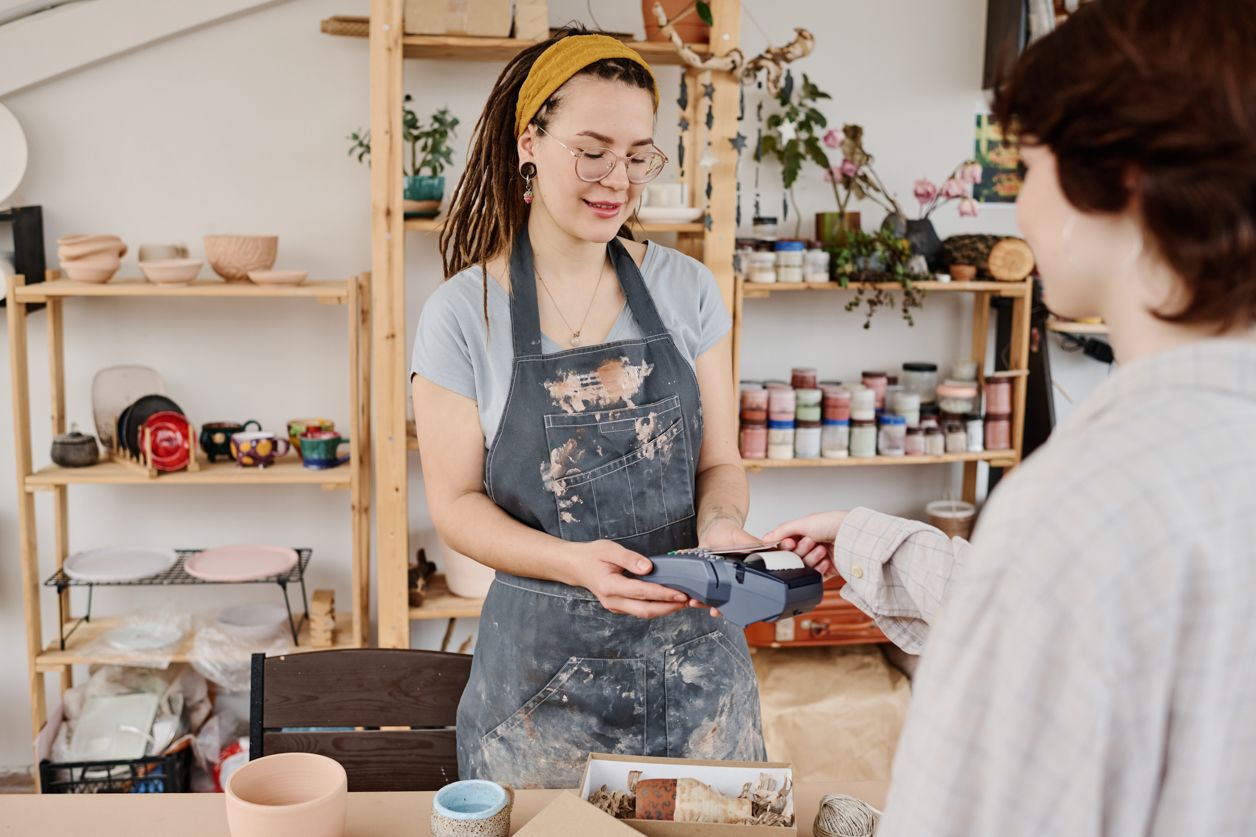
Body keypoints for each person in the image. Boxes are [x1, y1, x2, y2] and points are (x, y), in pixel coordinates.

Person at [764, 1, 1256, 833]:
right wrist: (864, 536)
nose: (1020, 210)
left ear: (1122, 178)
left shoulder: (1081, 503)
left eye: (1027, 169)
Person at [410, 28, 765, 788]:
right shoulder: (461, 313)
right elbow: (456, 504)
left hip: (698, 670)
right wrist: (576, 564)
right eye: (593, 149)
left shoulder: (688, 291)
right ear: (529, 142)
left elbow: (721, 463)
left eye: (638, 154)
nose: (618, 179)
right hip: (541, 692)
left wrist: (724, 529)